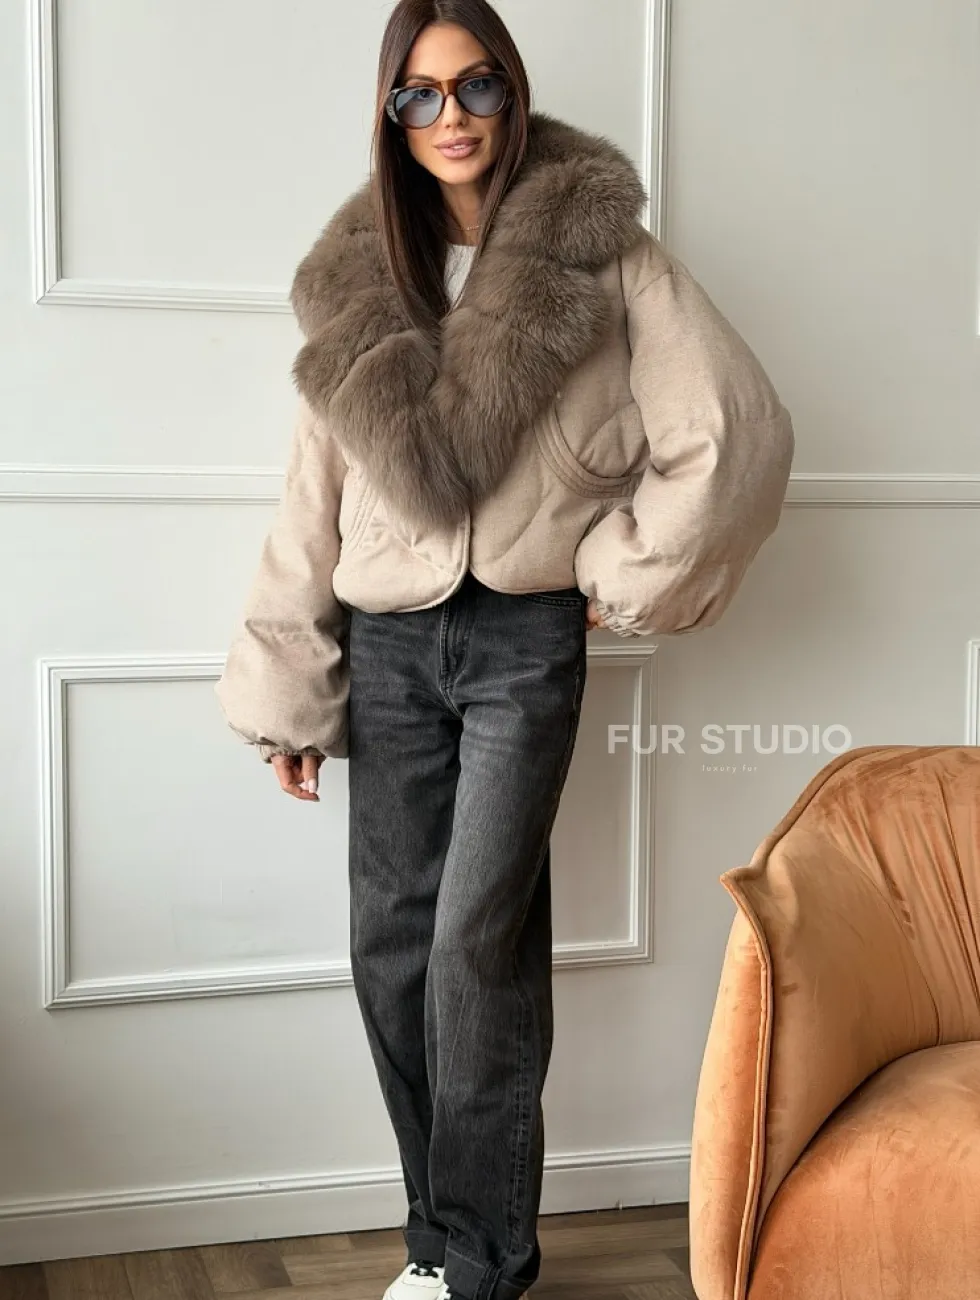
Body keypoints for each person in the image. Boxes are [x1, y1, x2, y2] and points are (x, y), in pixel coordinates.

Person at [215, 1, 795, 1297]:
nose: (453, 116)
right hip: (386, 643)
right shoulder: (362, 269)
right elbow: (312, 491)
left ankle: (483, 1262)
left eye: (475, 85)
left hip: (525, 637)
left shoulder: (602, 248)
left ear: (511, 92)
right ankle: (435, 1243)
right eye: (420, 95)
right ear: (391, 115)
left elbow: (732, 427)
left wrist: (620, 572)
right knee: (392, 950)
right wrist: (289, 694)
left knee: (476, 943)